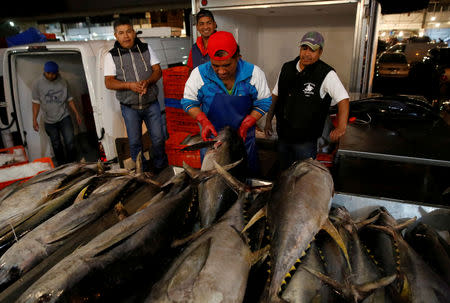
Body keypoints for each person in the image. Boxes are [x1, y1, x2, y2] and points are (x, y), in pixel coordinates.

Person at [181, 31, 272, 175]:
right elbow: (188, 102)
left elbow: (264, 102)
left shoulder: (254, 73)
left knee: (246, 182)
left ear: (238, 57)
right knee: (213, 183)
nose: (221, 71)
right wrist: (203, 120)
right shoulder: (199, 74)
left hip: (243, 140)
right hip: (214, 144)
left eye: (227, 65)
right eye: (215, 66)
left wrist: (250, 121)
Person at [264, 31, 350, 170]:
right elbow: (276, 95)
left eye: (313, 50)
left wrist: (341, 127)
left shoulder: (326, 73)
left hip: (305, 142)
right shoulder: (287, 68)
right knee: (285, 174)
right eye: (304, 48)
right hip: (283, 136)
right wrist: (268, 121)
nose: (307, 54)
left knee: (304, 177)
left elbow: (343, 99)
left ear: (320, 52)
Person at [104, 17, 168, 173]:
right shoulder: (111, 56)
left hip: (151, 103)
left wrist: (148, 82)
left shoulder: (146, 48)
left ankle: (160, 167)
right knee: (134, 142)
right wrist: (130, 86)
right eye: (121, 33)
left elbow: (157, 71)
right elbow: (109, 82)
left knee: (159, 138)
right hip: (129, 107)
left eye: (128, 31)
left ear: (133, 32)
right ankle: (142, 170)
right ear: (115, 36)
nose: (125, 36)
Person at [32, 61, 82, 166]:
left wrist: (77, 113)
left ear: (57, 72)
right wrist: (34, 119)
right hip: (49, 120)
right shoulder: (37, 83)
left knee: (70, 141)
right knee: (56, 144)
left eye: (53, 73)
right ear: (44, 71)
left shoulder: (63, 82)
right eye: (48, 73)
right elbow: (35, 103)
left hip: (64, 117)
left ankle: (72, 163)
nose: (51, 75)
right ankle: (62, 164)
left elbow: (69, 99)